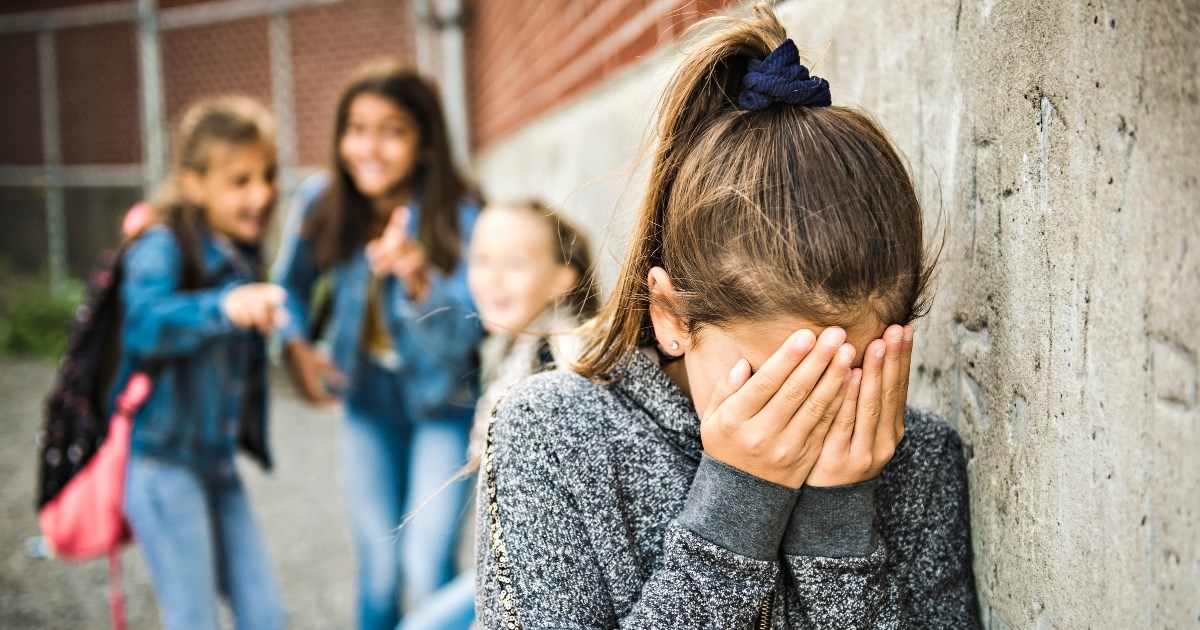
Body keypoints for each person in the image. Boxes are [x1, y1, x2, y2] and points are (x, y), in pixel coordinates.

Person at [474, 5, 981, 628]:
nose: (811, 414)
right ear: (671, 317)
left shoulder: (917, 459)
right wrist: (735, 511)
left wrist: (840, 528)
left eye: (845, 373)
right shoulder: (552, 434)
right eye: (780, 382)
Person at [273, 58, 482, 630]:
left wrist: (419, 280)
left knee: (425, 563)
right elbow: (286, 288)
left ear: (425, 143)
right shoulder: (322, 202)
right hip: (367, 402)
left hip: (443, 404)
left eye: (392, 131)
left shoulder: (459, 213)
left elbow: (473, 330)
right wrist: (296, 347)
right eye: (357, 128)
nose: (369, 147)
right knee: (381, 569)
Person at [117, 96, 287, 630]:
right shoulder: (161, 245)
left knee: (265, 617)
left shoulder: (240, 250)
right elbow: (143, 323)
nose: (261, 194)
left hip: (215, 463)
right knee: (193, 621)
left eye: (268, 175)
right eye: (240, 181)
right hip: (163, 465)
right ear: (193, 183)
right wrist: (224, 306)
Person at [399, 201, 599, 630]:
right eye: (481, 260)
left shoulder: (564, 360)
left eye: (514, 264)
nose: (492, 278)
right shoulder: (520, 349)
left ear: (563, 279)